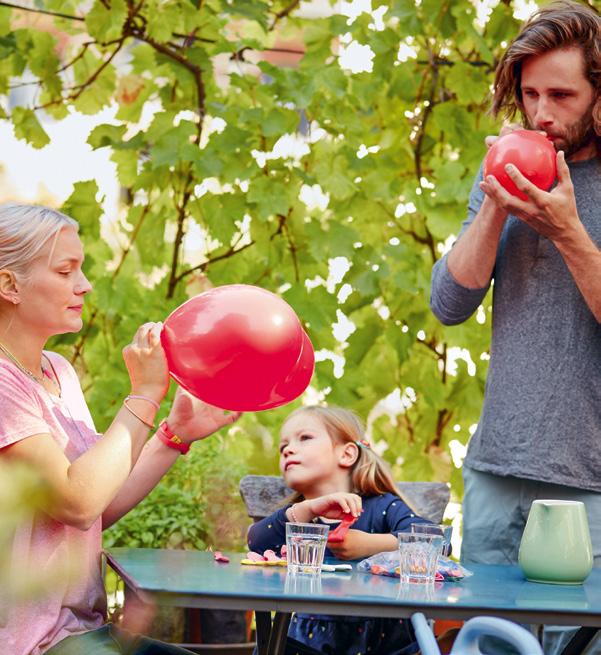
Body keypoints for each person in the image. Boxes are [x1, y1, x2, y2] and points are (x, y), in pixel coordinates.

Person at [430, 1, 601, 652]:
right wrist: (493, 208)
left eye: (560, 94)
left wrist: (565, 229)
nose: (541, 113)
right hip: (496, 468)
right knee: (487, 642)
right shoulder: (505, 165)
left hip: (589, 482)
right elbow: (448, 303)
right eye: (529, 93)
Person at [0, 204, 241, 655]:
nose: (85, 285)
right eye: (66, 271)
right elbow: (78, 502)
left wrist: (174, 434)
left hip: (82, 631)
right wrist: (145, 393)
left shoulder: (57, 371)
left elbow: (95, 511)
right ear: (9, 284)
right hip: (29, 643)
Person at [247, 405, 432, 655]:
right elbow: (256, 542)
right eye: (283, 447)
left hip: (384, 645)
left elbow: (434, 542)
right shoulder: (296, 518)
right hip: (306, 645)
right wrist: (306, 509)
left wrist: (370, 545)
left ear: (347, 454)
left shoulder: (383, 507)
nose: (288, 449)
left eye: (305, 438)